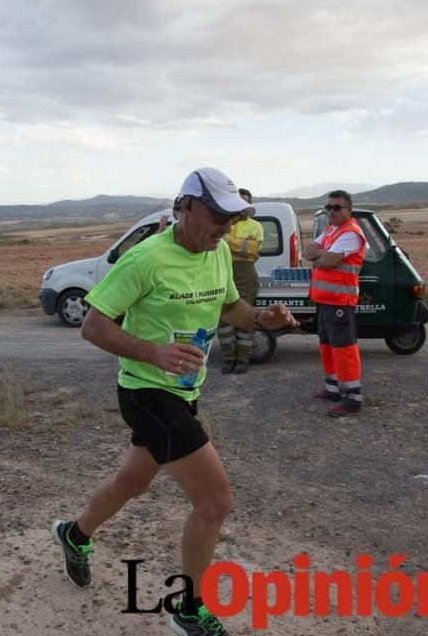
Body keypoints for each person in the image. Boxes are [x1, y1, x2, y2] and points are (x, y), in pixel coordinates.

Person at [50, 167, 297, 636]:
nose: (227, 226)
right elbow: (93, 325)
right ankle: (188, 610)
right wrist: (154, 352)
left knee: (131, 482)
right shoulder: (146, 259)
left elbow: (229, 308)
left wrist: (264, 317)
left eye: (233, 217)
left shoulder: (219, 251)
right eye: (219, 215)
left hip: (185, 392)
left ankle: (74, 534)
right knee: (215, 501)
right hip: (146, 392)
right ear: (186, 208)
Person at [303, 190, 367, 417]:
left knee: (344, 350)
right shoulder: (331, 230)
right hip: (324, 300)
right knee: (327, 346)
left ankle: (351, 399)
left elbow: (328, 261)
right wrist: (323, 255)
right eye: (328, 207)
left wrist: (321, 257)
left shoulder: (352, 233)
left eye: (337, 207)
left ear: (348, 210)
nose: (331, 211)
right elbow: (307, 251)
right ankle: (333, 389)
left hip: (340, 300)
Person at [217, 188, 264, 374]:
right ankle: (229, 358)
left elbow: (252, 251)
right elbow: (217, 245)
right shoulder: (224, 222)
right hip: (223, 271)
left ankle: (243, 359)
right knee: (224, 318)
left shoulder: (256, 226)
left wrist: (227, 242)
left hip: (245, 274)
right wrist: (239, 246)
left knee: (244, 318)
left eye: (245, 202)